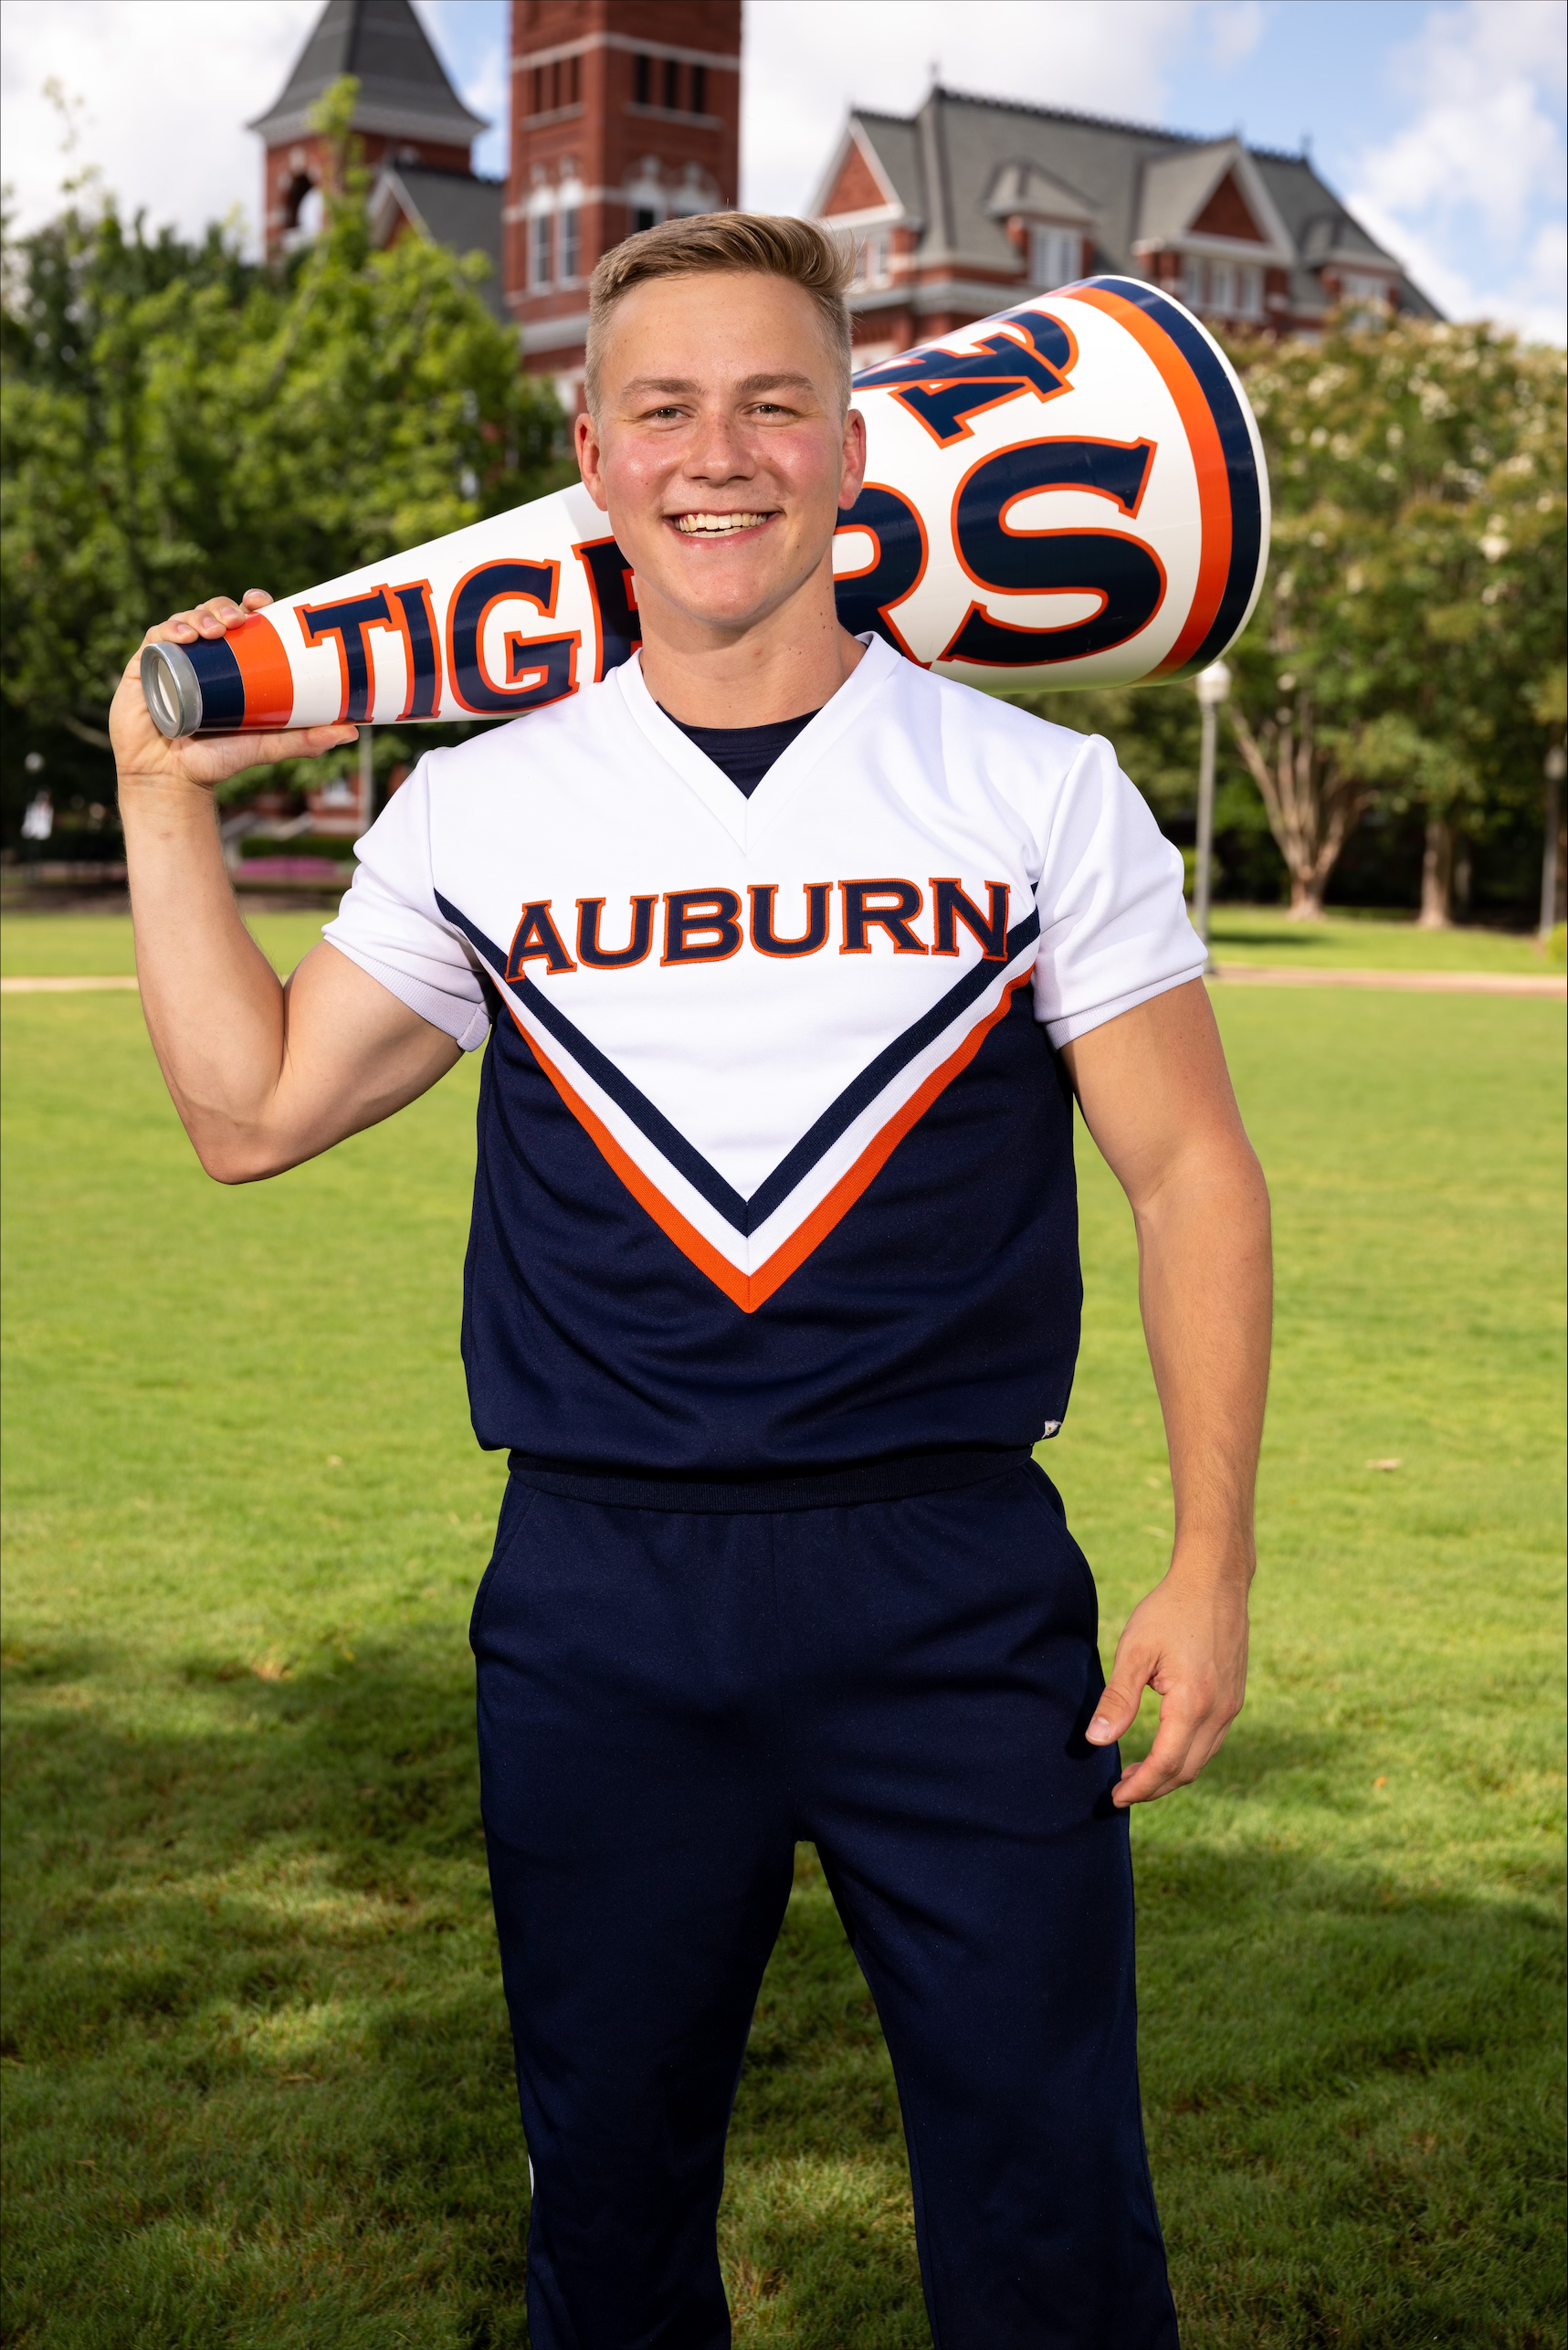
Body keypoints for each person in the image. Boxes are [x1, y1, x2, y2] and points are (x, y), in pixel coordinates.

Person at [110, 215, 1270, 2349]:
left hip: (953, 1591)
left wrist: (1209, 1564)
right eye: (662, 407)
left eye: (768, 402)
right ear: (593, 456)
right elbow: (251, 1110)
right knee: (612, 2201)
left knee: (1049, 2207)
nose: (713, 452)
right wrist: (161, 794)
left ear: (852, 446)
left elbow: (1189, 1170)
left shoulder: (1038, 790)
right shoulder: (485, 808)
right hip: (598, 1600)